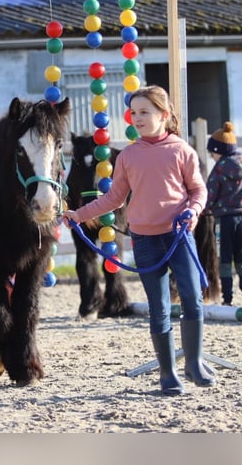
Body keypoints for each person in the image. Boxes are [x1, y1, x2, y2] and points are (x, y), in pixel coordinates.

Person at [63, 85, 215, 395]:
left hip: (179, 236)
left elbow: (198, 191)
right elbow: (114, 198)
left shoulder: (181, 151)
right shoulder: (129, 156)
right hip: (145, 240)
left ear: (164, 115)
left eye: (145, 112)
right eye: (134, 113)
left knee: (191, 298)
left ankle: (194, 363)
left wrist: (193, 210)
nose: (138, 118)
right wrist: (78, 214)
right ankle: (168, 372)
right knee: (158, 307)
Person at [205, 121, 242, 308]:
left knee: (225, 258)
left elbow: (210, 194)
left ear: (218, 150)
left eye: (212, 153)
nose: (212, 157)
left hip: (224, 220)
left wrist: (204, 211)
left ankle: (227, 299)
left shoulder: (220, 167)